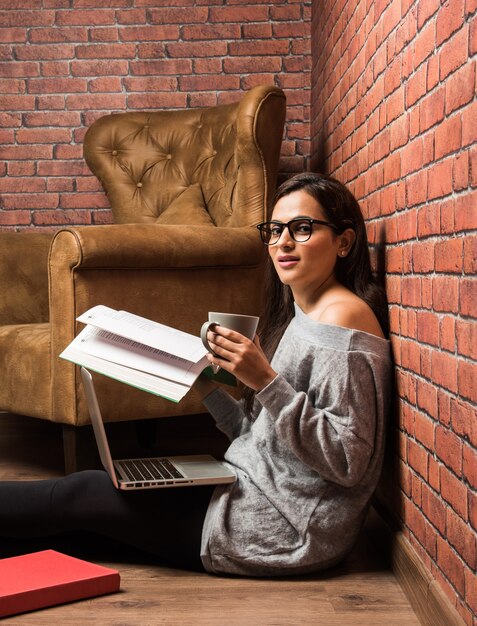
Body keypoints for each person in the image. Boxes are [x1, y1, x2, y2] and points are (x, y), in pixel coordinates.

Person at [0, 172, 392, 577]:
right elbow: (260, 440)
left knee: (83, 493)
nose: (283, 242)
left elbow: (348, 463)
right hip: (249, 490)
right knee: (70, 534)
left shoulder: (342, 323)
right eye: (274, 230)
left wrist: (265, 382)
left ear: (344, 241)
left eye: (303, 228)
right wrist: (203, 382)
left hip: (282, 528)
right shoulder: (304, 315)